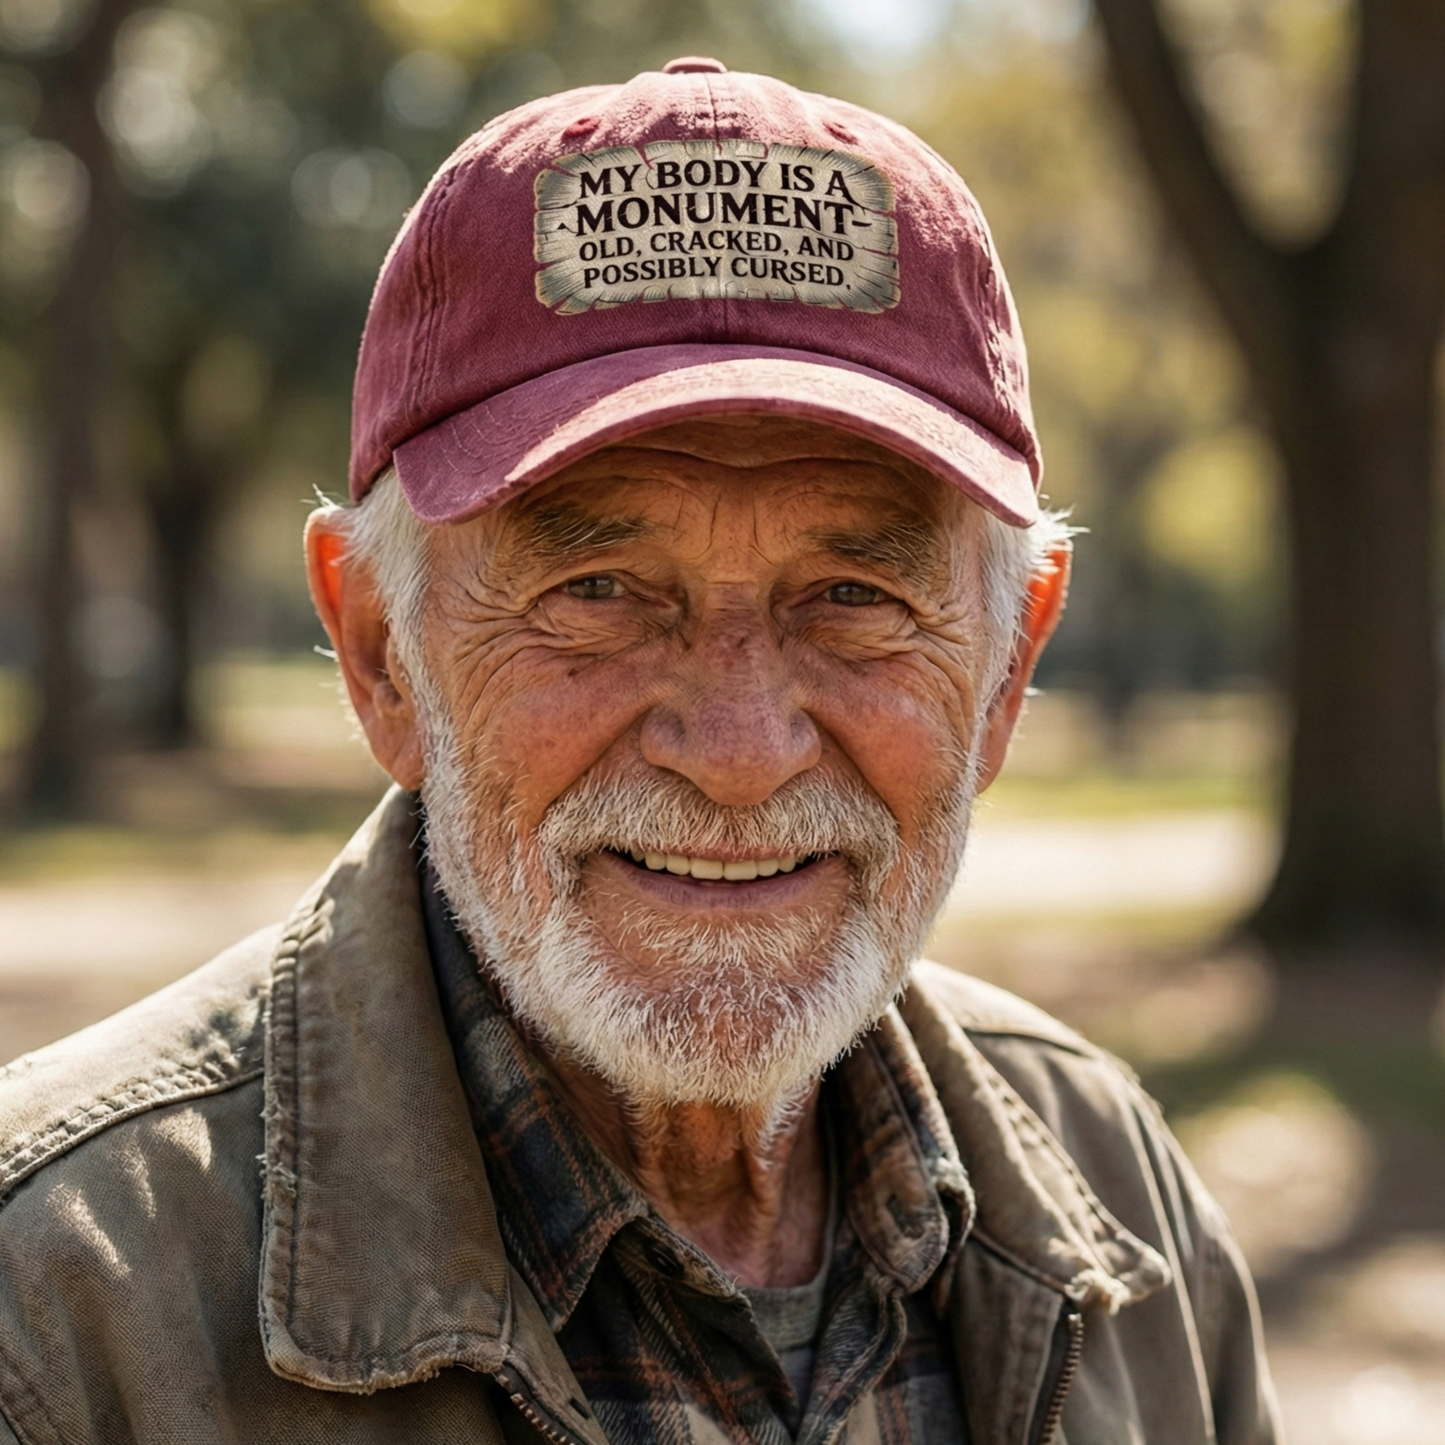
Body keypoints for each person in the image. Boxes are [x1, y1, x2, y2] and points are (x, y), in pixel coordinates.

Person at [0, 58, 1279, 1445]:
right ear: (381, 655)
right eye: (598, 593)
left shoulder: (1118, 1201)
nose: (738, 753)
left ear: (1007, 671)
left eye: (854, 599)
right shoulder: (62, 1305)